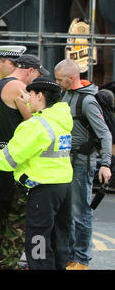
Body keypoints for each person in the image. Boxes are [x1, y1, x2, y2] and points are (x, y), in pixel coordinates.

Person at [0, 77, 73, 270]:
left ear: (40, 95)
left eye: (30, 95)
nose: (27, 100)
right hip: (63, 187)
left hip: (41, 190)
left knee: (37, 238)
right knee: (59, 237)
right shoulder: (61, 120)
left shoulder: (37, 126)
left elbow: (11, 158)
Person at [0, 53, 46, 269]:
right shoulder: (17, 86)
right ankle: (8, 264)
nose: (35, 82)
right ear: (30, 71)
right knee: (17, 219)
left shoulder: (1, 83)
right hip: (13, 162)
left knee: (5, 217)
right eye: (37, 75)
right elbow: (33, 119)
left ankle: (3, 262)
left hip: (1, 159)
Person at [54, 59, 112, 270]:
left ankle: (81, 260)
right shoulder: (67, 94)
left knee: (80, 212)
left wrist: (105, 164)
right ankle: (72, 256)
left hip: (81, 161)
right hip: (67, 160)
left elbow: (104, 134)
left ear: (71, 78)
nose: (57, 82)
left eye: (60, 79)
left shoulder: (87, 101)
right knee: (68, 212)